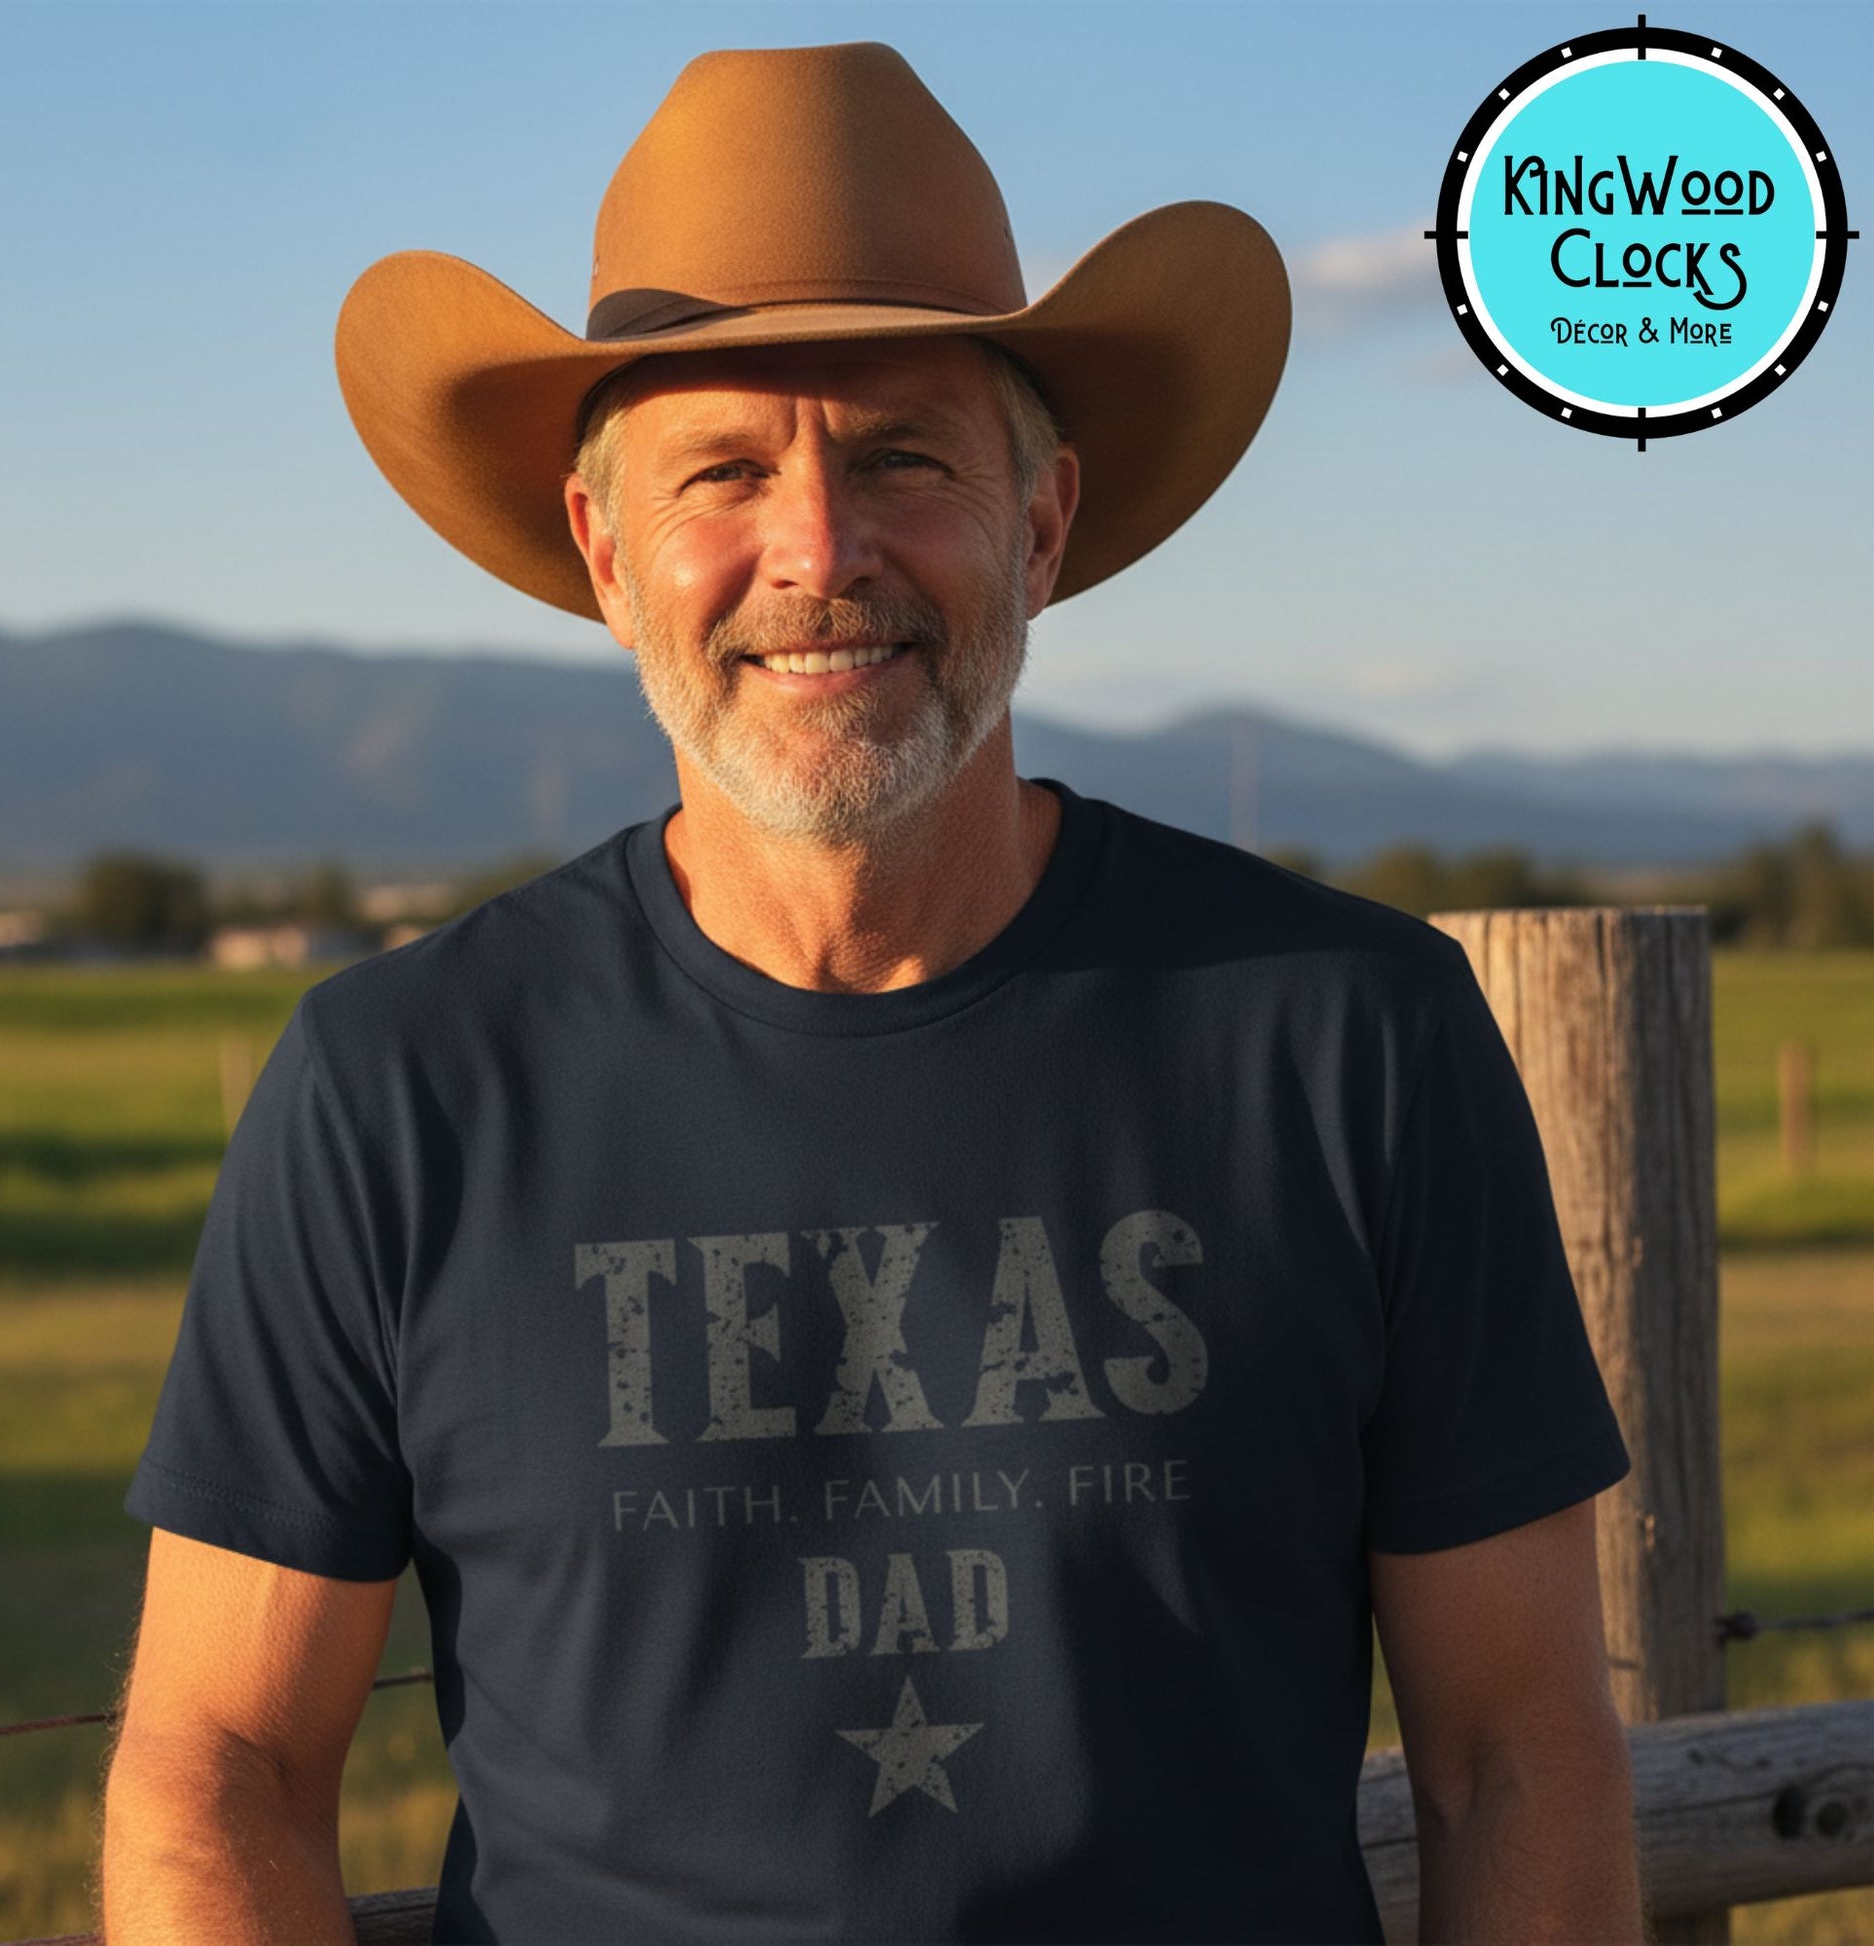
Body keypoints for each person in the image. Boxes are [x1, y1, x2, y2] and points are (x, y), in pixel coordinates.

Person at [102, 41, 1644, 1946]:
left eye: (903, 455)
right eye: (723, 471)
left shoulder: (1349, 1039)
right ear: (606, 553)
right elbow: (218, 1765)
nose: (817, 555)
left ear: (1043, 524)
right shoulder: (399, 1089)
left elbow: (1520, 1753)